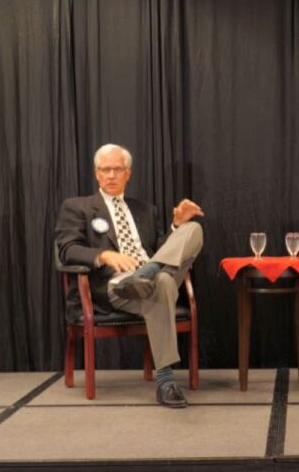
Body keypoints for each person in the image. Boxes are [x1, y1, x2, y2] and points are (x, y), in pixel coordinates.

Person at [56, 144, 204, 408]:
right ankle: (166, 380)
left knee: (192, 230)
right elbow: (67, 250)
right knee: (166, 281)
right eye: (105, 170)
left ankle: (148, 272)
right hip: (117, 286)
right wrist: (104, 256)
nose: (111, 175)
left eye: (117, 169)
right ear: (96, 173)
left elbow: (165, 249)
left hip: (150, 278)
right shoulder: (78, 207)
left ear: (128, 173)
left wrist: (176, 226)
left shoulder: (146, 209)